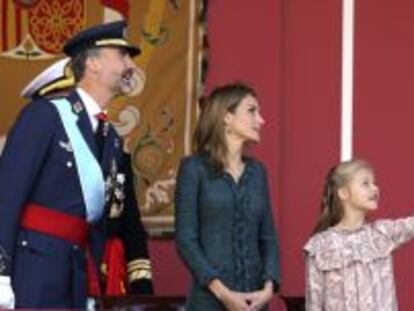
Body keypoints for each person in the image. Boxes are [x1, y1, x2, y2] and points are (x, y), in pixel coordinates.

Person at [0, 21, 153, 309]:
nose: (130, 65)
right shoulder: (44, 116)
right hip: (34, 269)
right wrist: (0, 275)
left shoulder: (113, 139)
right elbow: (6, 197)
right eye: (122, 55)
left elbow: (97, 219)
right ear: (93, 62)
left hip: (77, 272)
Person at [175, 83, 280, 311]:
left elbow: (268, 237)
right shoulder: (194, 169)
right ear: (226, 116)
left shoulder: (257, 172)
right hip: (208, 302)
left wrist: (268, 289)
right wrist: (223, 293)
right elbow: (186, 240)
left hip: (256, 302)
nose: (261, 120)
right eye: (252, 111)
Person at [304, 159, 414, 310]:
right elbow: (314, 305)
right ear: (343, 193)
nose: (375, 188)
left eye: (374, 183)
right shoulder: (320, 246)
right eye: (365, 183)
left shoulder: (383, 233)